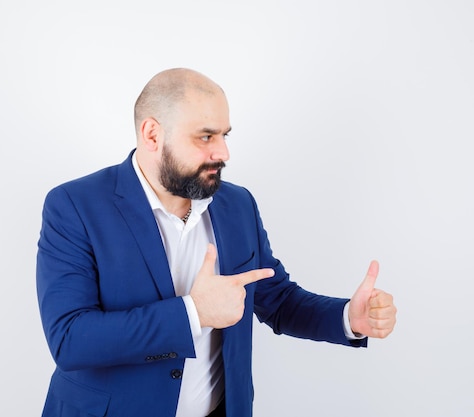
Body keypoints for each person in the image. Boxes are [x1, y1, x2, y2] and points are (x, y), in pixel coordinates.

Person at [36, 68, 397, 417]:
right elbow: (70, 339)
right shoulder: (74, 206)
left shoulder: (237, 205)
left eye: (225, 135)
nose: (223, 153)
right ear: (151, 135)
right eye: (206, 137)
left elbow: (277, 300)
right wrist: (194, 312)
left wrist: (349, 317)